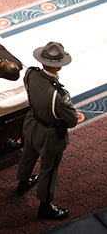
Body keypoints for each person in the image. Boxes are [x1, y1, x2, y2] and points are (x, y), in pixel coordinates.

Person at [17, 41, 78, 220]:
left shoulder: (31, 74)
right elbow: (73, 120)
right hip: (49, 135)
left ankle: (22, 183)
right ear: (58, 67)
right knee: (49, 169)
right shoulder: (59, 95)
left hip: (31, 124)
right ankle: (45, 207)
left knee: (28, 155)